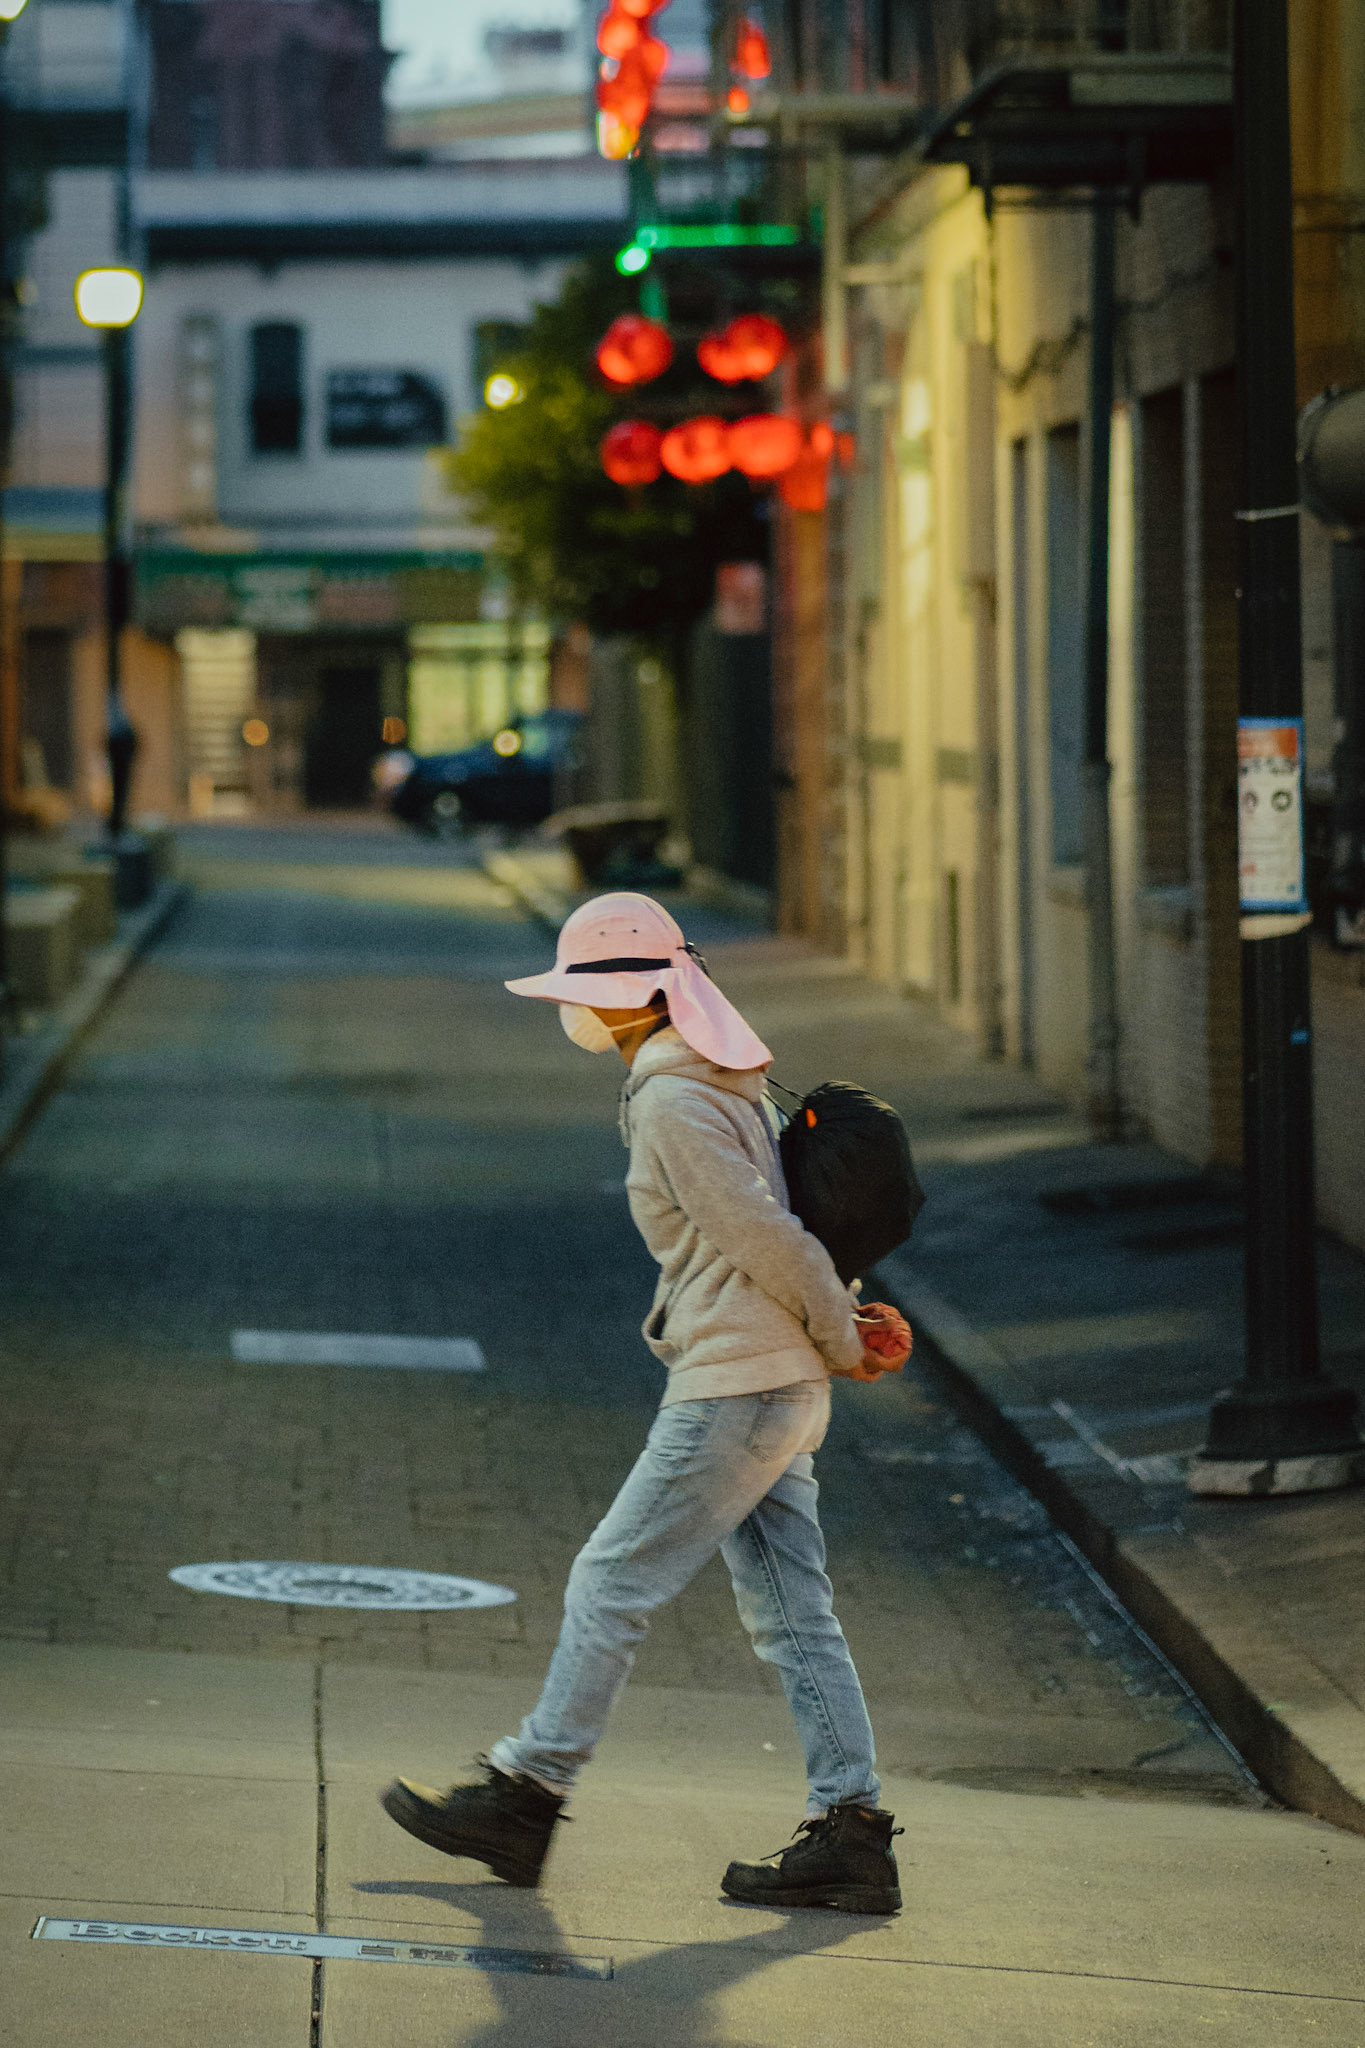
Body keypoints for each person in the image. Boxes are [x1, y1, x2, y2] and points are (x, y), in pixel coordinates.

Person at [381, 892, 913, 1913]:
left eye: (582, 991)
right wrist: (839, 1327)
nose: (571, 1009)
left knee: (610, 1580)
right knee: (794, 1613)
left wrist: (844, 1339)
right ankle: (851, 1831)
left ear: (633, 995)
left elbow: (767, 1237)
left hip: (739, 1385)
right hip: (776, 1383)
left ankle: (527, 1792)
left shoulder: (676, 1097)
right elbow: (782, 1227)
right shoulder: (724, 1080)